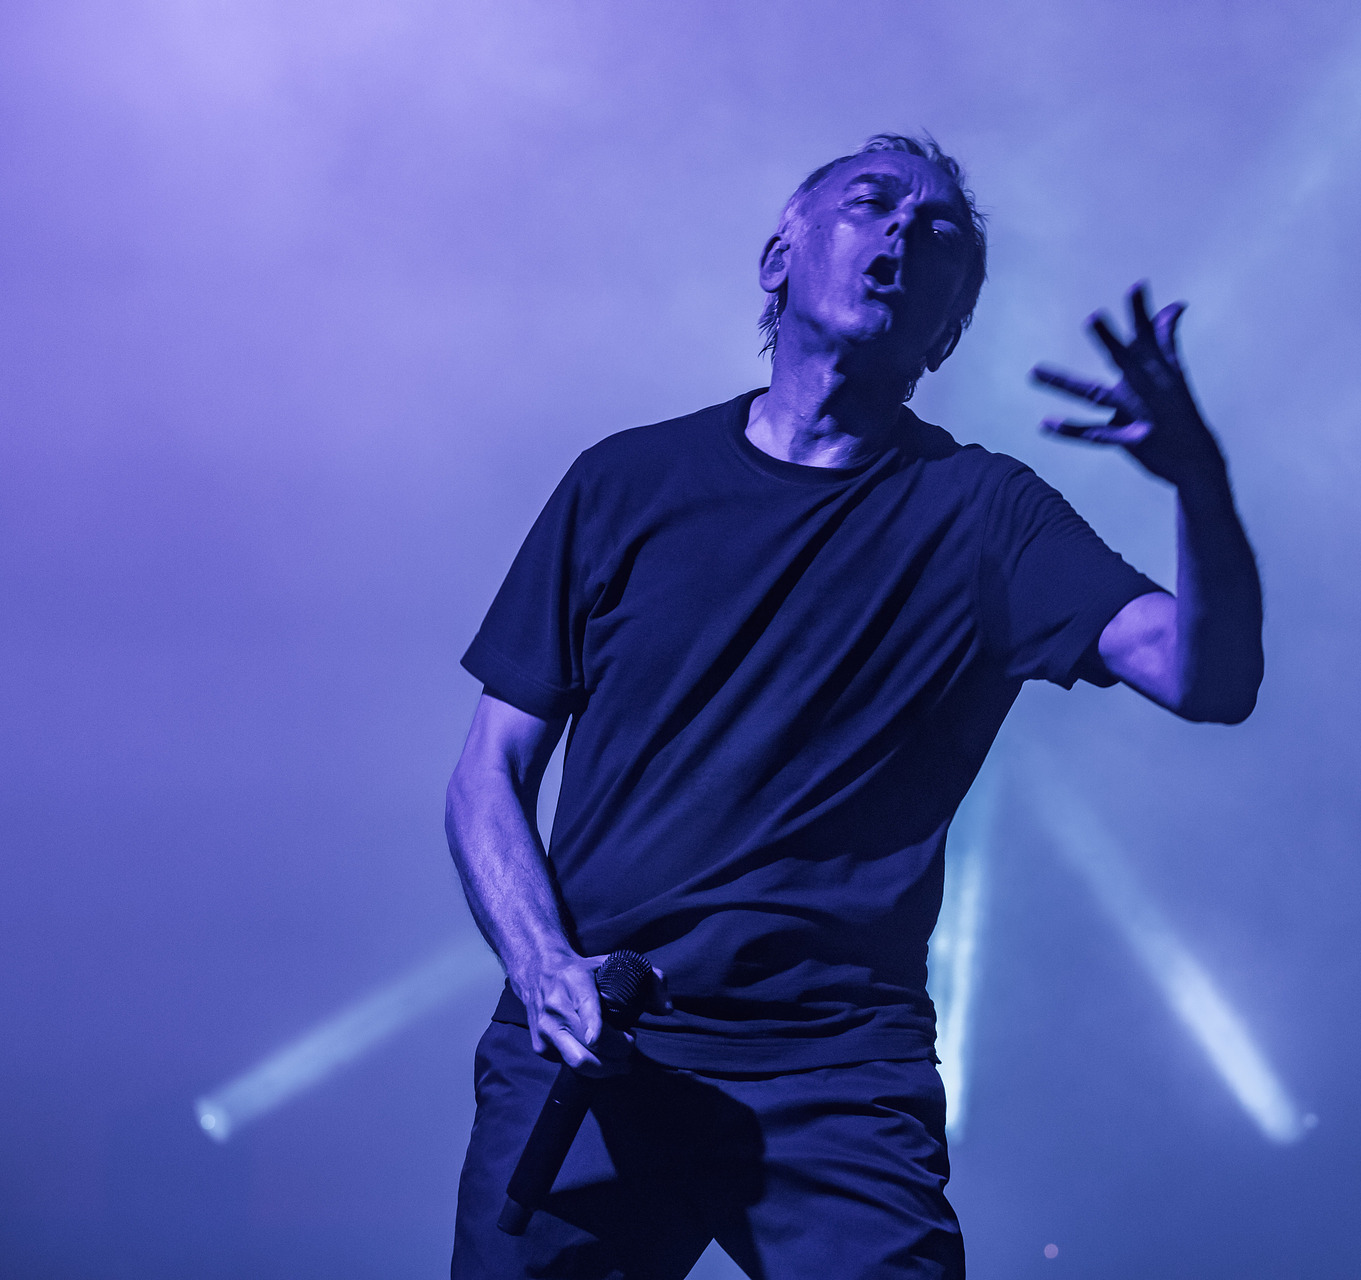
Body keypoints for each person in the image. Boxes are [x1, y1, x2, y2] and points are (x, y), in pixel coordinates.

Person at [443, 134, 1262, 1279]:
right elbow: (489, 771)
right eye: (872, 203)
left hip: (837, 1074)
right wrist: (542, 966)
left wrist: (1202, 485)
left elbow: (1205, 677)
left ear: (948, 327)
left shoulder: (986, 514)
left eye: (940, 234)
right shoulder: (623, 482)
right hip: (596, 1042)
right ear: (778, 257)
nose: (902, 235)